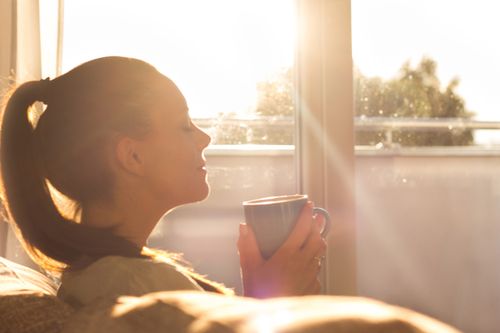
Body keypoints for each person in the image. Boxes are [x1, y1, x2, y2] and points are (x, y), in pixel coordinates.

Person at [0, 56, 327, 307]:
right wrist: (270, 301)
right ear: (133, 157)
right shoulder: (139, 287)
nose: (205, 137)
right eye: (184, 125)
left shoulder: (107, 277)